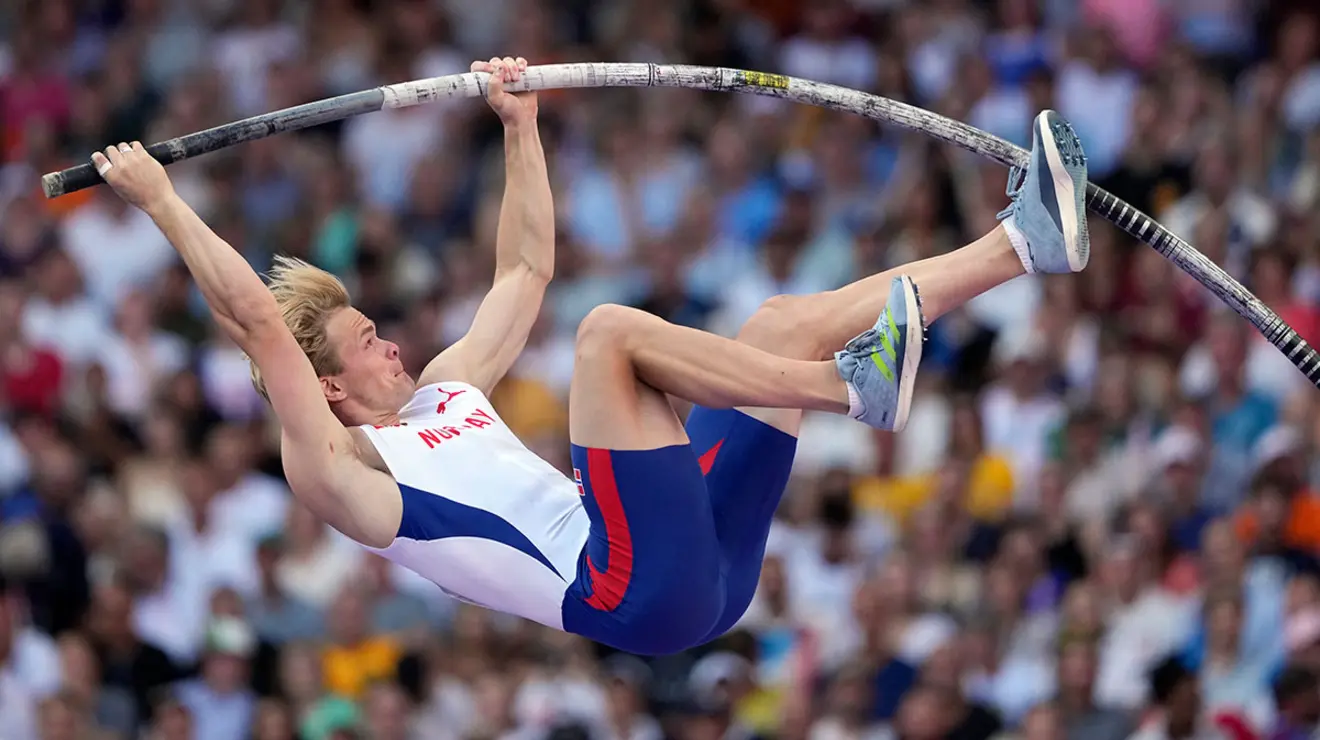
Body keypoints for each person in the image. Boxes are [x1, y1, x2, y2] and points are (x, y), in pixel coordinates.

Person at [87, 55, 1090, 656]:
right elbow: (262, 325)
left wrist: (519, 129)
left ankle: (1020, 246)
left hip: (700, 565)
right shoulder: (345, 471)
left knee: (781, 317)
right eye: (366, 343)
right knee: (607, 331)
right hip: (629, 587)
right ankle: (844, 390)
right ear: (330, 385)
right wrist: (164, 202)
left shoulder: (445, 392)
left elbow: (523, 269)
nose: (392, 341)